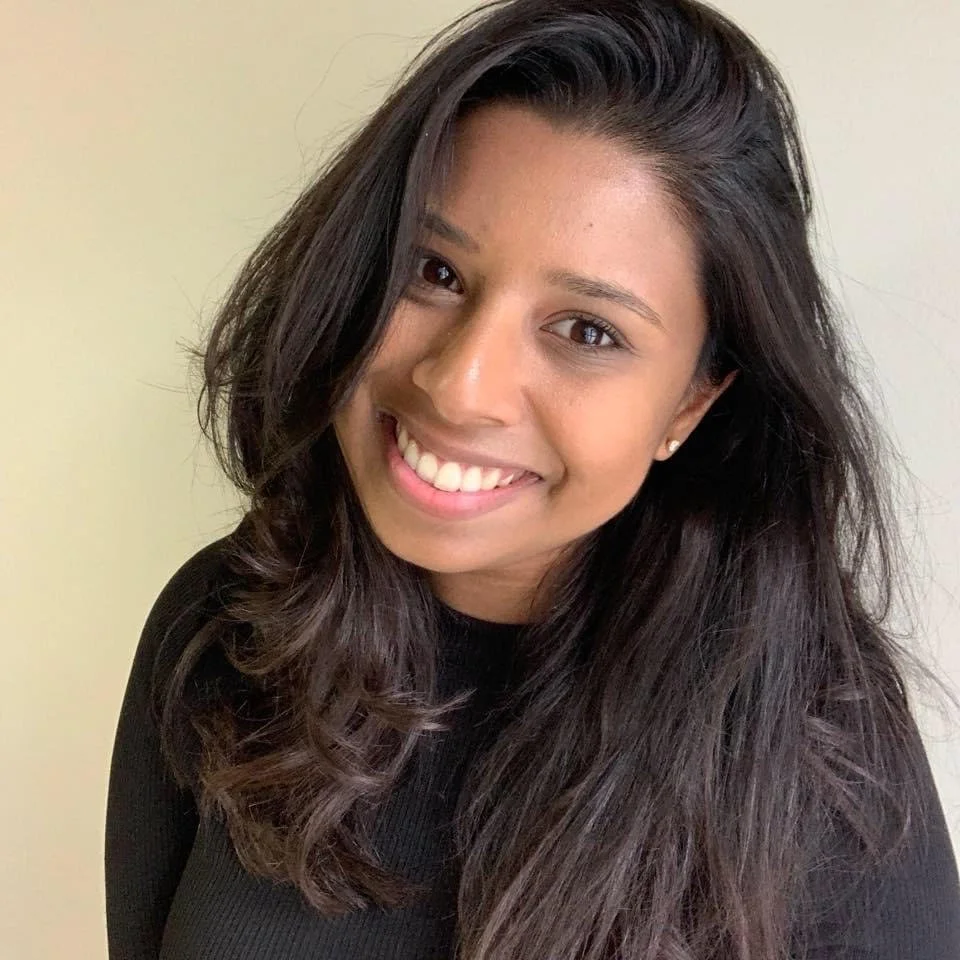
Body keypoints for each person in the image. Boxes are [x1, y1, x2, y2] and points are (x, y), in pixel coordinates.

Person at [105, 0, 960, 957]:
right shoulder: (228, 629)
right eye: (432, 271)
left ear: (690, 404)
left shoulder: (816, 749)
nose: (458, 385)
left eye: (587, 331)